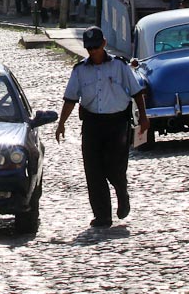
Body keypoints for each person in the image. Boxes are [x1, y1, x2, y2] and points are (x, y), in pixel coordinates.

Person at [55, 26, 149, 229]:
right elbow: (70, 99)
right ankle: (102, 215)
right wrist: (61, 123)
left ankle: (121, 191)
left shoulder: (119, 66)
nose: (93, 52)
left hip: (117, 123)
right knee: (93, 170)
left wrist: (143, 117)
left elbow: (136, 92)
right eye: (89, 48)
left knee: (114, 167)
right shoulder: (79, 70)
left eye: (96, 47)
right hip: (92, 124)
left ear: (104, 44)